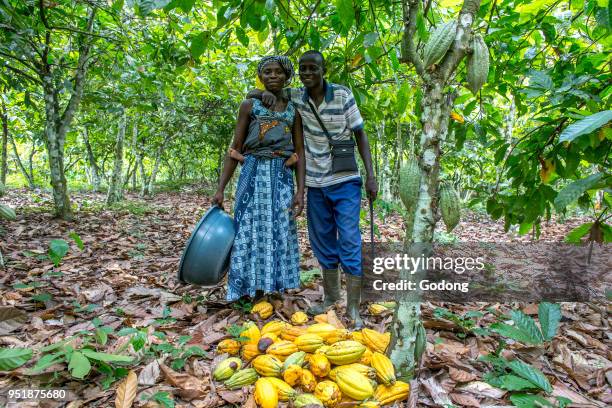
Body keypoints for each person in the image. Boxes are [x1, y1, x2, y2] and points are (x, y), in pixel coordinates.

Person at [248, 50, 378, 328]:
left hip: (345, 180)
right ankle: (331, 298)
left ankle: (353, 308)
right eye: (303, 69)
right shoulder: (297, 97)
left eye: (313, 69)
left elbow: (360, 134)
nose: (308, 74)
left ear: (323, 70)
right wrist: (261, 95)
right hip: (315, 183)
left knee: (350, 239)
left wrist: (371, 175)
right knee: (322, 242)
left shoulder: (342, 94)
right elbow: (256, 92)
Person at [212, 56, 306, 302]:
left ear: (287, 76)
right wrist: (220, 188)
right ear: (260, 76)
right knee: (248, 229)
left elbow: (300, 150)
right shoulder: (249, 105)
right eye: (267, 72)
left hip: (281, 175)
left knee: (279, 230)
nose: (272, 76)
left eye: (278, 72)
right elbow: (236, 146)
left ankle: (273, 288)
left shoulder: (293, 109)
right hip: (252, 172)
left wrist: (300, 191)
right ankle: (245, 289)